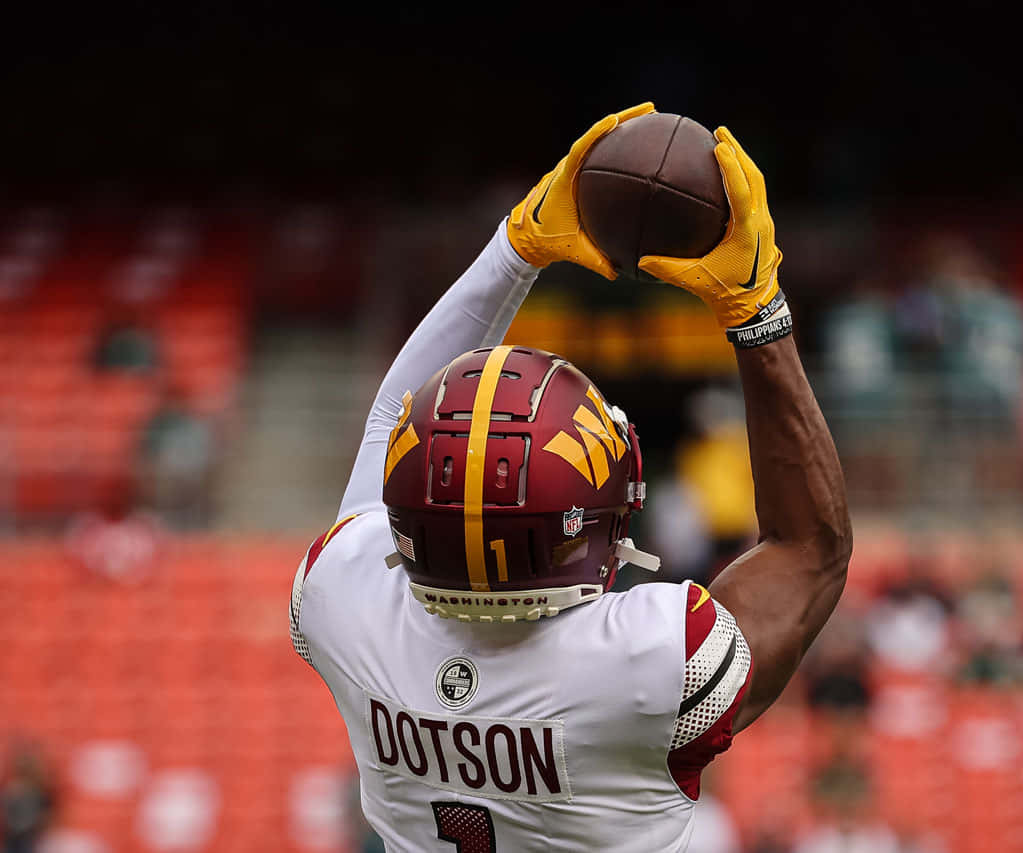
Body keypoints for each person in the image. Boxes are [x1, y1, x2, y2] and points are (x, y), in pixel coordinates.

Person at [288, 104, 852, 852]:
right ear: (599, 516)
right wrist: (758, 311)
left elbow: (391, 411)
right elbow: (810, 549)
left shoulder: (344, 598)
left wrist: (516, 246)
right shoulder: (651, 659)